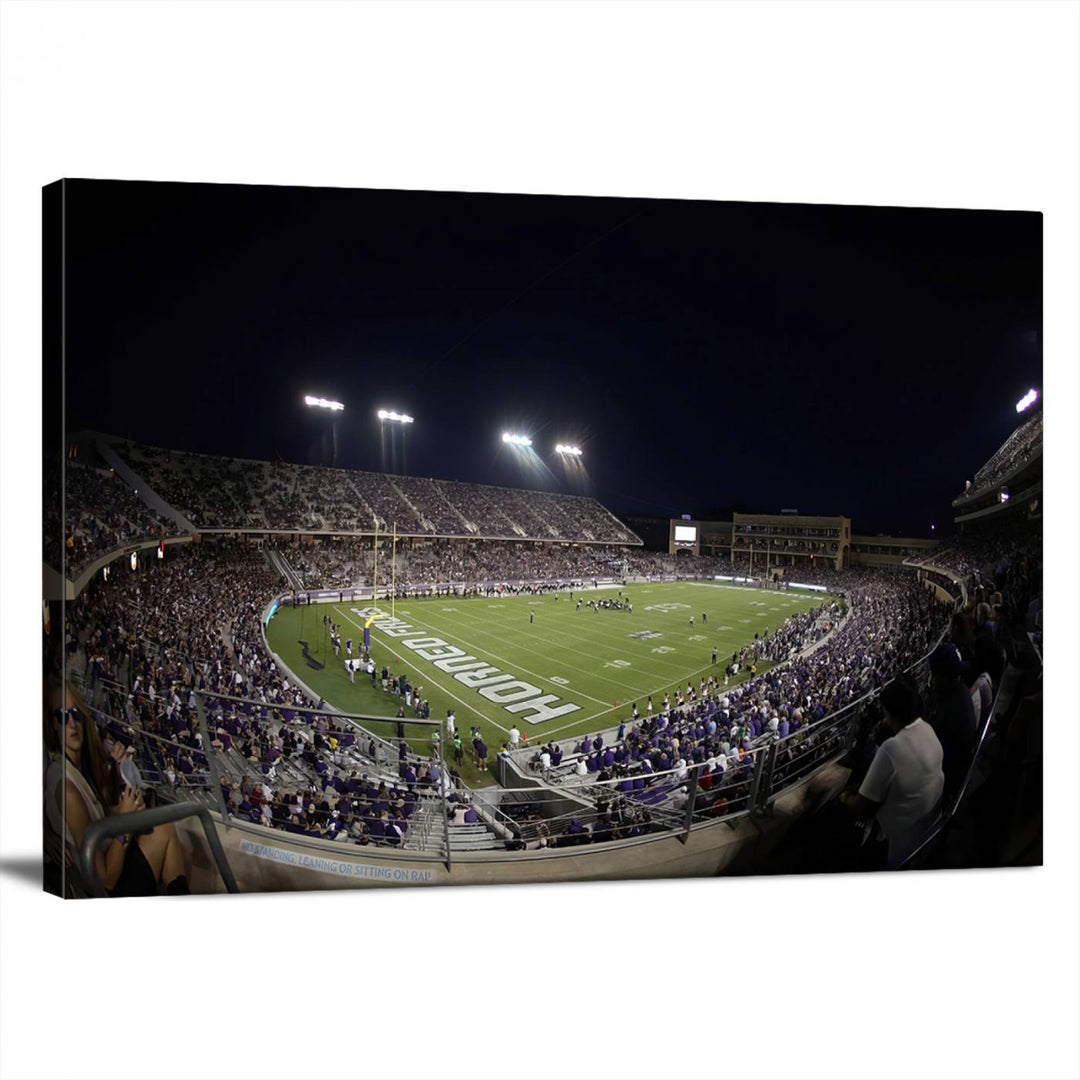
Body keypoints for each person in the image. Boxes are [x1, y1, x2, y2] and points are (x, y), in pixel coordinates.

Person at [45, 694, 190, 896]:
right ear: (51, 725)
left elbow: (97, 812)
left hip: (107, 853)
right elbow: (106, 880)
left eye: (76, 714)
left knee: (173, 838)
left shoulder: (76, 770)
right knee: (166, 833)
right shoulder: (66, 789)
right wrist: (124, 822)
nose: (72, 723)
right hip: (103, 887)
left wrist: (117, 773)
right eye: (62, 716)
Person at [841, 674, 944, 869]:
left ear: (893, 713)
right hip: (924, 831)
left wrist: (844, 797)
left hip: (895, 847)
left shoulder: (892, 748)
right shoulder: (928, 728)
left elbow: (862, 809)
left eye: (886, 713)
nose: (884, 719)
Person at [926, 643, 977, 805]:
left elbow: (931, 756)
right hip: (952, 772)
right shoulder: (960, 691)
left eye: (934, 675)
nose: (932, 680)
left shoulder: (952, 711)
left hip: (944, 783)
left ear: (943, 676)